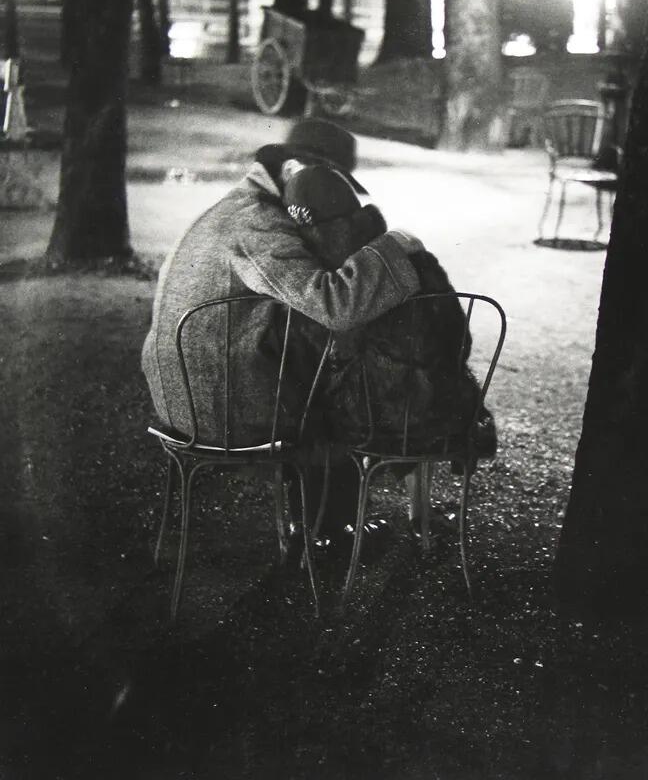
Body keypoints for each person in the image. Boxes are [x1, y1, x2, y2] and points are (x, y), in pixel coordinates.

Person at [141, 119, 424, 544]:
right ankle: (329, 530)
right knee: (339, 388)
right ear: (297, 169)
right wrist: (394, 247)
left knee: (311, 363)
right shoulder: (257, 223)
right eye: (331, 182)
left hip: (184, 391)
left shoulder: (240, 206)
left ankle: (320, 520)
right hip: (213, 402)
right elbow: (334, 303)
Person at [281, 162, 497, 530]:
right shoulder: (411, 258)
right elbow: (458, 341)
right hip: (444, 411)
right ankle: (414, 516)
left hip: (375, 423)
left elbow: (315, 356)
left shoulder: (331, 284)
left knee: (307, 399)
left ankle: (321, 528)